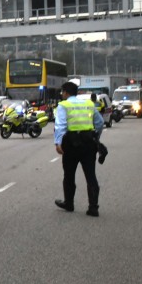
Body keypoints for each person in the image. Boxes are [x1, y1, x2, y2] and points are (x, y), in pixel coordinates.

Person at [54, 81, 104, 216]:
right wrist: (95, 137)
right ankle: (93, 207)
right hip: (88, 144)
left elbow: (60, 125)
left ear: (65, 92)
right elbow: (99, 123)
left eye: (62, 92)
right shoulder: (89, 104)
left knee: (69, 175)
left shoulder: (64, 105)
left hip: (71, 145)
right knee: (91, 176)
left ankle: (69, 204)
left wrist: (58, 142)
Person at [90, 93, 109, 164]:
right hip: (95, 119)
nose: (93, 98)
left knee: (94, 136)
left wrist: (100, 113)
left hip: (96, 119)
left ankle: (100, 148)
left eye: (93, 97)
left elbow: (103, 109)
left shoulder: (98, 102)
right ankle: (100, 149)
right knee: (94, 136)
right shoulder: (95, 103)